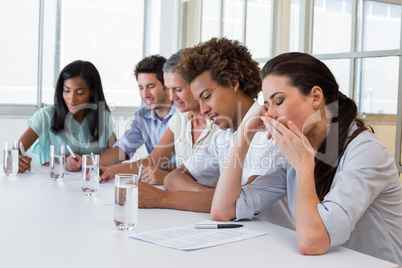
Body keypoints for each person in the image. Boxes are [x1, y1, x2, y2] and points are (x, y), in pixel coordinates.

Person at [210, 52, 402, 264]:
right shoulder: (302, 148)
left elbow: (313, 242)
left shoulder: (365, 152)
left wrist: (303, 167)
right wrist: (244, 137)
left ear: (316, 97)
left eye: (279, 101)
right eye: (266, 104)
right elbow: (223, 210)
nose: (269, 114)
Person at [137, 38, 294, 230]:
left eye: (207, 97)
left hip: (275, 240)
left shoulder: (267, 133)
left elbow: (241, 202)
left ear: (233, 83)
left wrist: (162, 198)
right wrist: (213, 194)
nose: (202, 109)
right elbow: (173, 178)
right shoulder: (224, 136)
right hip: (245, 236)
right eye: (198, 100)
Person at [100, 49, 220, 184]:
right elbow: (153, 160)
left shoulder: (220, 123)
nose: (172, 97)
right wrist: (111, 171)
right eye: (169, 89)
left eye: (178, 90)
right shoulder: (180, 117)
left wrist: (168, 179)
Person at [66, 55, 177, 171]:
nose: (145, 94)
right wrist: (84, 161)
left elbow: (186, 165)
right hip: (156, 180)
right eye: (141, 87)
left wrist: (117, 169)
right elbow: (121, 150)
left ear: (167, 85)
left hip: (182, 180)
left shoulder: (182, 114)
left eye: (151, 86)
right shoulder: (142, 116)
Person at [18, 60, 116, 173]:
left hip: (92, 183)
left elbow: (116, 154)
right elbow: (15, 153)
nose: (72, 99)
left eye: (80, 93)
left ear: (92, 91)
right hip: (52, 183)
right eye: (67, 91)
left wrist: (84, 159)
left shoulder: (102, 115)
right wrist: (17, 162)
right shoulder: (45, 115)